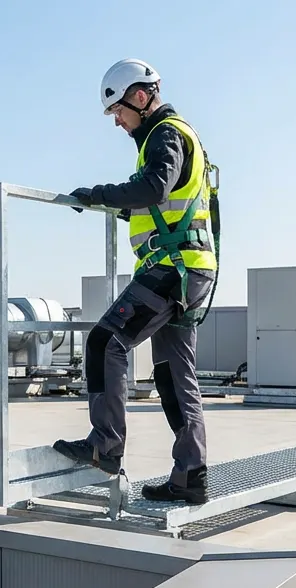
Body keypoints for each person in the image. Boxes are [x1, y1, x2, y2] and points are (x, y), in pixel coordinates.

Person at [53, 58, 219, 504]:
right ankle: (190, 477)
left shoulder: (165, 134)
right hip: (192, 268)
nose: (118, 122)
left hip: (172, 268)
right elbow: (159, 202)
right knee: (173, 375)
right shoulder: (182, 136)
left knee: (105, 342)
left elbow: (154, 189)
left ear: (141, 98)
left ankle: (105, 445)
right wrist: (111, 205)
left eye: (119, 112)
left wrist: (99, 194)